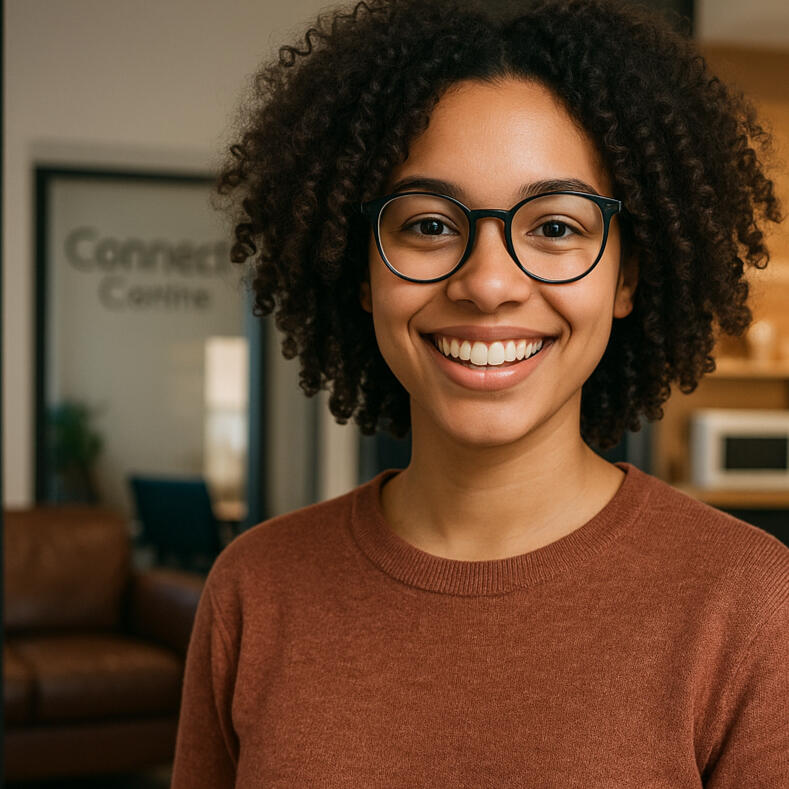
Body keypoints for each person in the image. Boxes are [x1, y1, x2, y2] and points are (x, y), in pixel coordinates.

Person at [171, 0, 789, 786]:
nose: (488, 282)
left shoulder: (750, 605)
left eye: (555, 227)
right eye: (428, 225)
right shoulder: (253, 588)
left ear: (626, 275)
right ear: (362, 270)